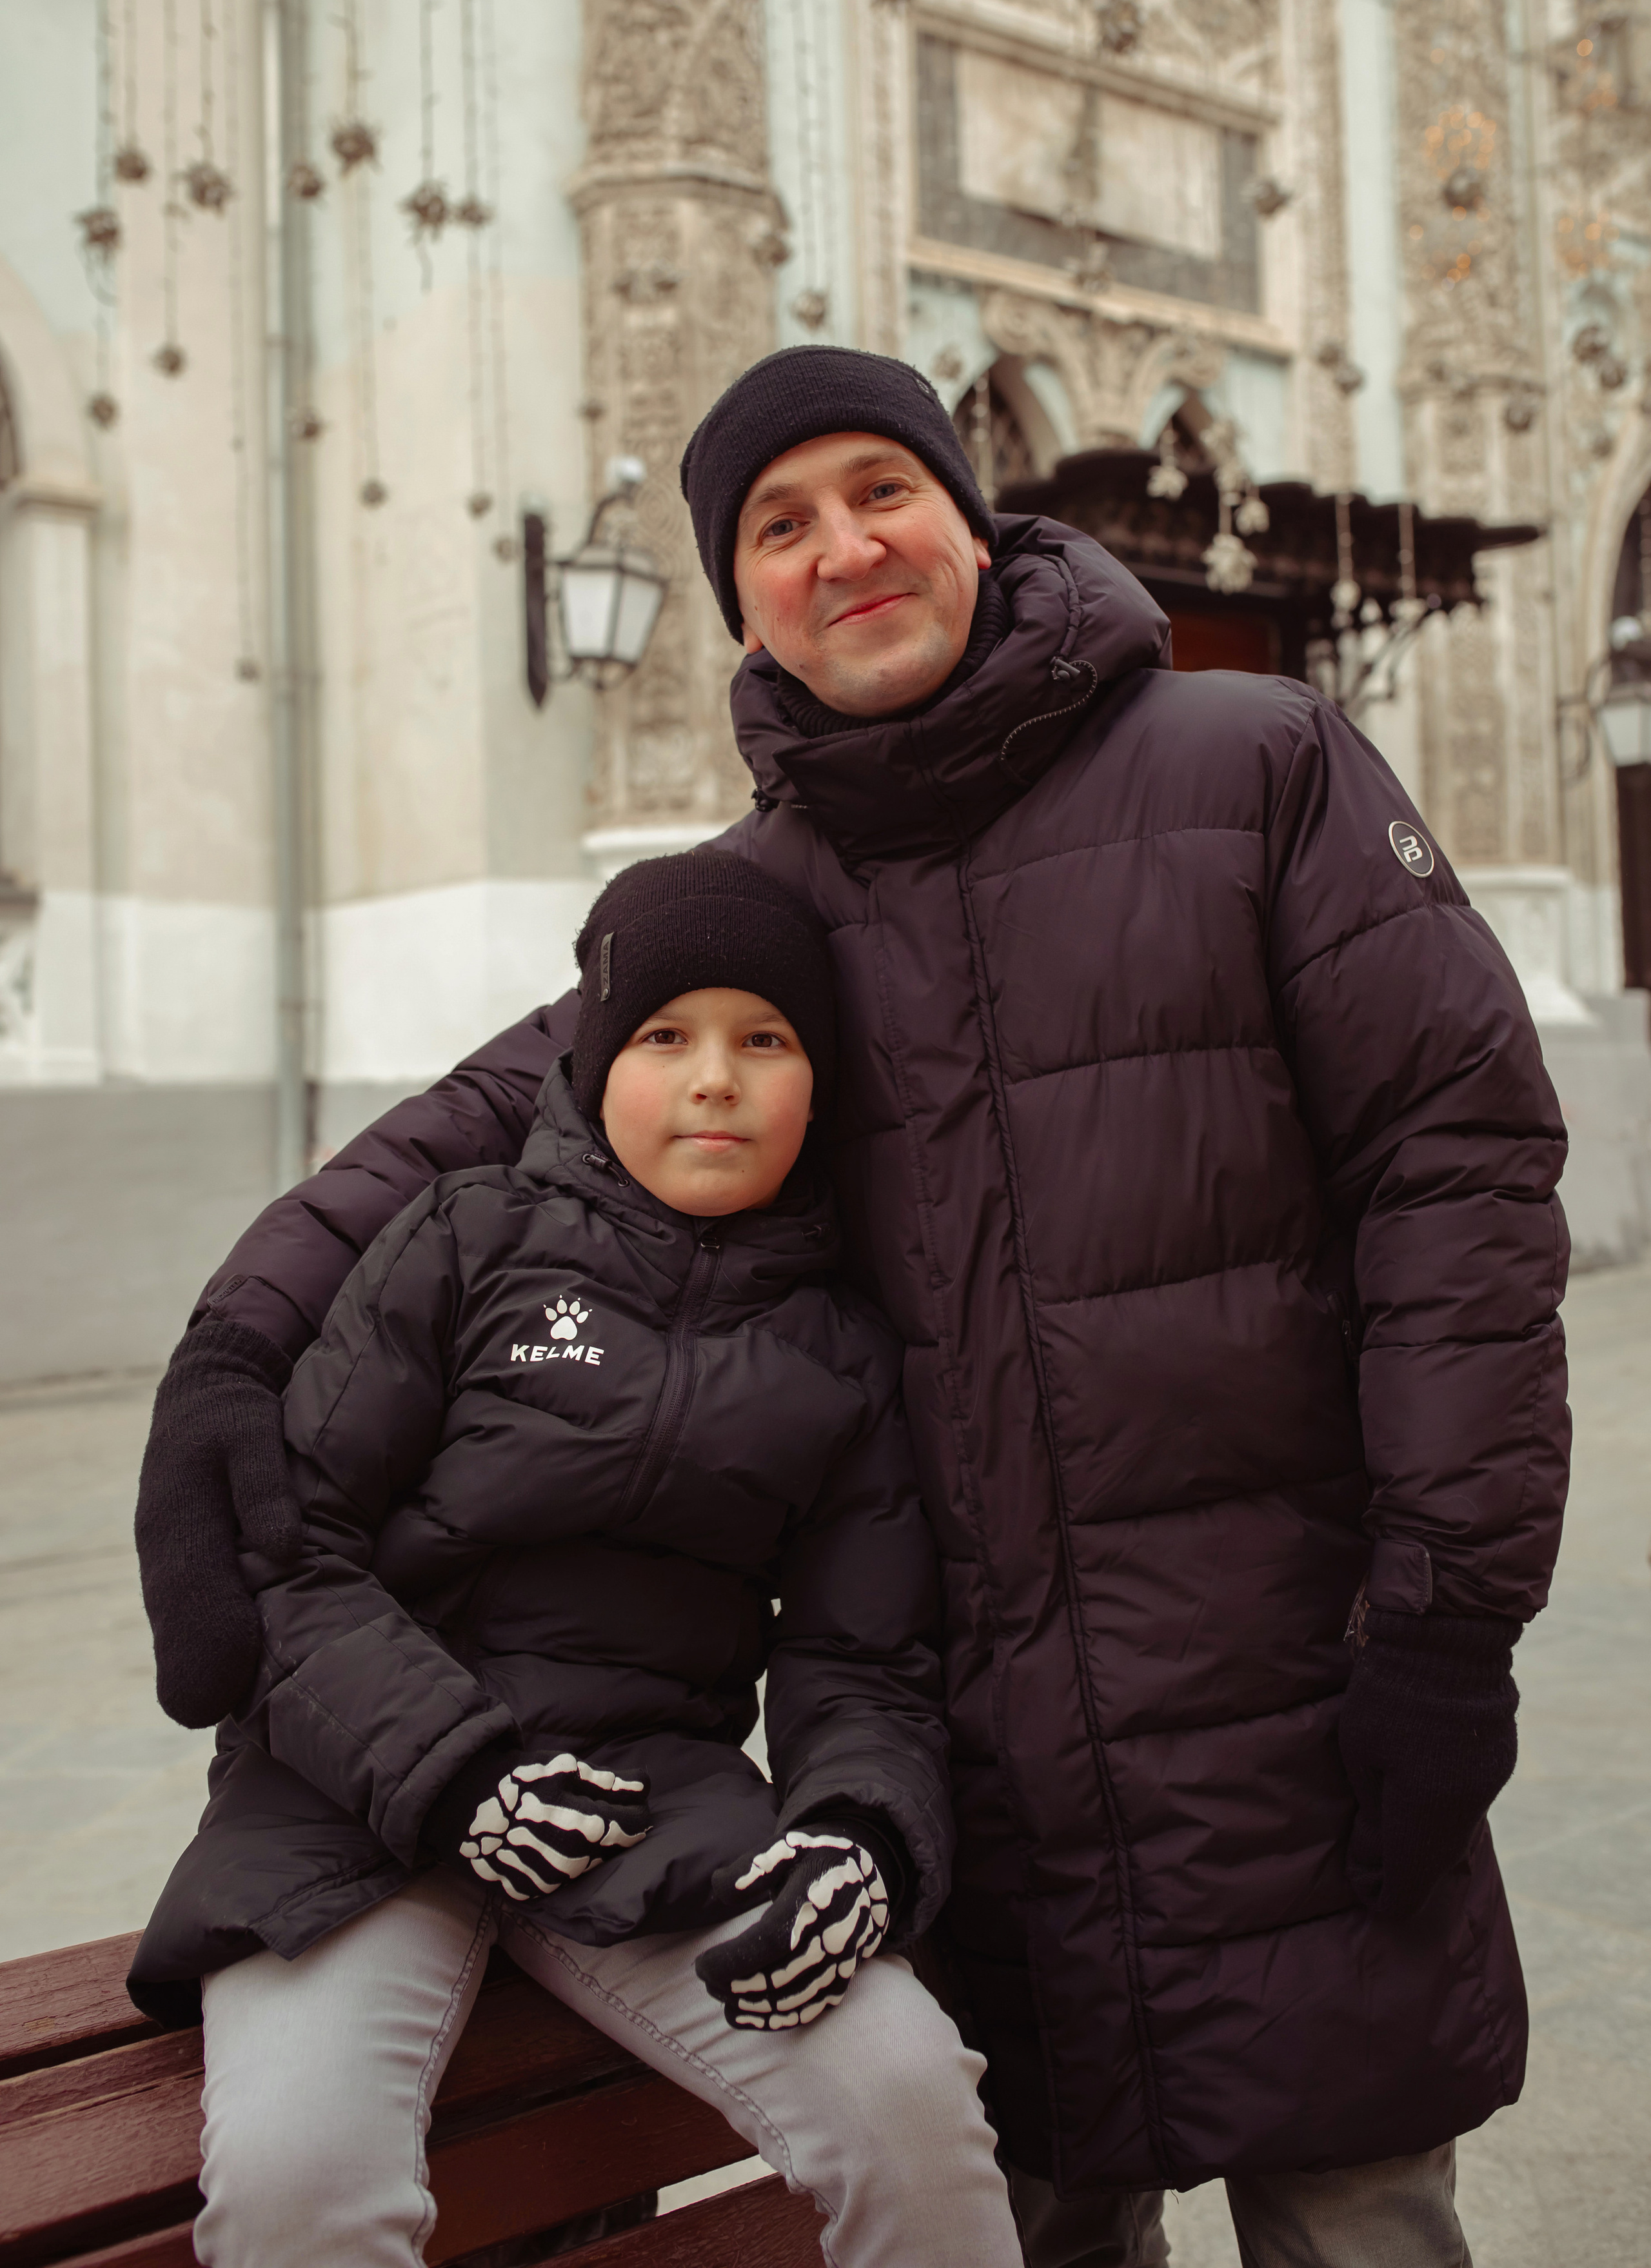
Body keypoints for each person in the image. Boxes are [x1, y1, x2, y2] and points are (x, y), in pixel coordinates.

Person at [137, 347, 1570, 2267]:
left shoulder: (1258, 765)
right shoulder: (767, 907)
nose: (843, 551)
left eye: (879, 492)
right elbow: (492, 1121)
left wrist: (1449, 1610)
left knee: (1359, 2208)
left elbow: (1453, 1171)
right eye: (777, 527)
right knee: (1042, 2205)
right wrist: (240, 1345)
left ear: (971, 519)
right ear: (743, 601)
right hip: (986, 1753)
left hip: (1287, 1699)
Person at [128, 851, 1025, 2268]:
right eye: (665, 1036)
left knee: (915, 2111)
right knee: (301, 2184)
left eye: (765, 1040)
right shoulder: (464, 1239)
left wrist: (862, 1833)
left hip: (647, 1804)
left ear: (821, 1084)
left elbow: (861, 1660)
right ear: (598, 1062)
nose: (714, 1079)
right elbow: (288, 1550)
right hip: (350, 1799)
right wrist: (458, 1777)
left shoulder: (844, 1352)